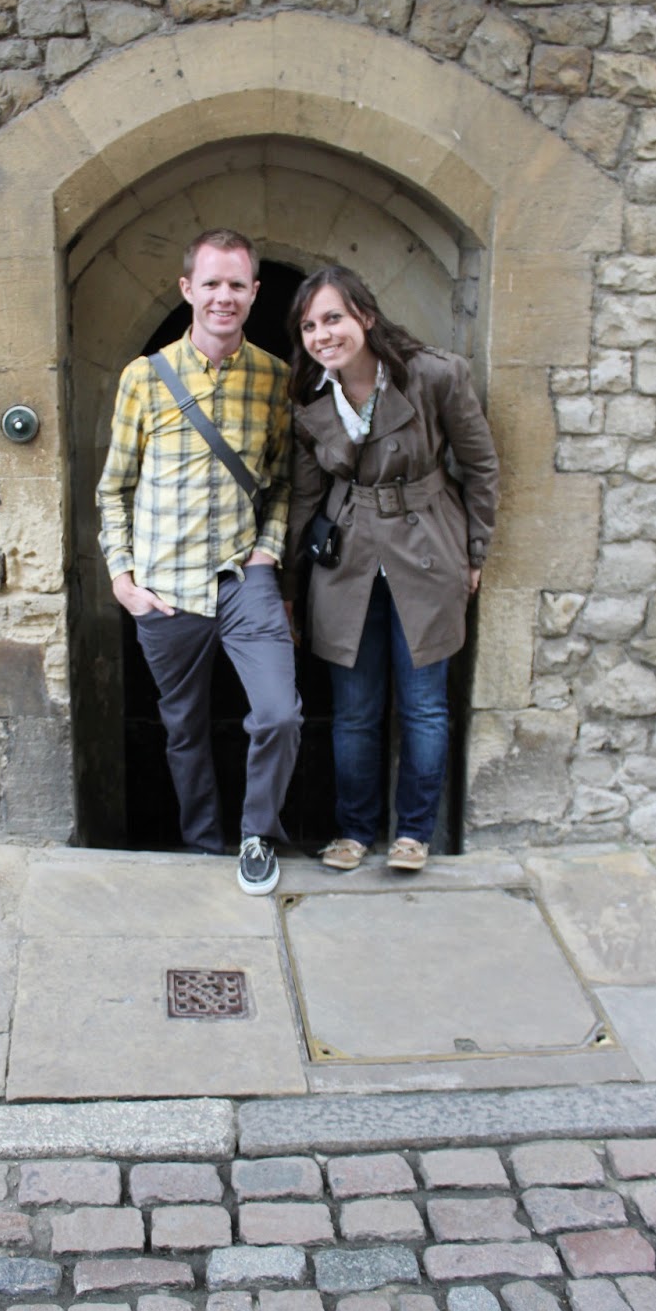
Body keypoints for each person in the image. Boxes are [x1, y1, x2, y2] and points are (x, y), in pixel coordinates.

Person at [97, 229, 302, 895]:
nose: (223, 296)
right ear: (187, 289)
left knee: (278, 714)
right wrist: (123, 581)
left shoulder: (274, 378)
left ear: (254, 293)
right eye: (210, 283)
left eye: (236, 284)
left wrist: (270, 550)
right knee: (183, 731)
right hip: (165, 589)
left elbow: (280, 482)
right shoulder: (143, 378)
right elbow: (114, 488)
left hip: (246, 578)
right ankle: (202, 843)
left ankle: (255, 835)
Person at [285, 264, 499, 874]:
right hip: (345, 563)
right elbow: (305, 497)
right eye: (309, 325)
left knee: (425, 705)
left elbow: (481, 468)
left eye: (334, 318)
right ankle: (354, 832)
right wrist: (290, 589)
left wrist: (475, 550)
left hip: (427, 549)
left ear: (366, 317)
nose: (323, 334)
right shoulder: (309, 395)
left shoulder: (435, 375)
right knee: (354, 711)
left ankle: (413, 834)